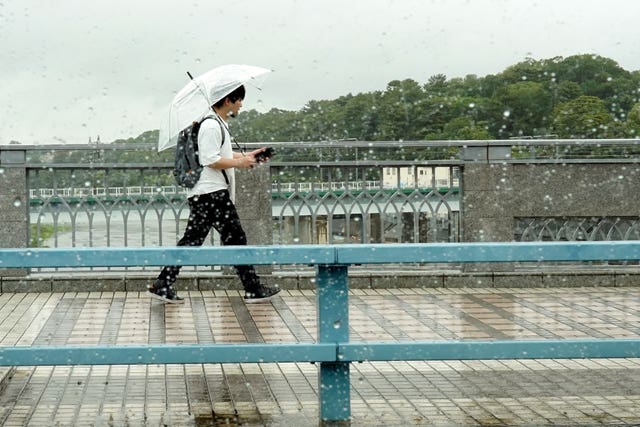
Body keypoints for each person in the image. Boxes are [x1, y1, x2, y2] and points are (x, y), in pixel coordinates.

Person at [148, 85, 280, 304]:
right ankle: (253, 288)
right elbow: (210, 159)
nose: (241, 104)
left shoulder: (216, 123)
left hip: (206, 194)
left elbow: (219, 154)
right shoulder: (210, 125)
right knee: (235, 239)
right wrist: (240, 162)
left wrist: (247, 156)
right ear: (228, 100)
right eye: (239, 100)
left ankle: (163, 282)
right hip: (211, 193)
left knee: (194, 240)